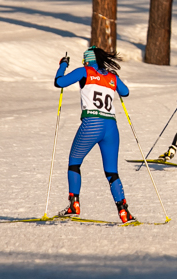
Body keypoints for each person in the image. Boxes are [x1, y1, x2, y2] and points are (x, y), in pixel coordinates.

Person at [54, 47, 133, 221]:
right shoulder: (111, 76)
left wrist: (63, 65)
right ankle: (124, 212)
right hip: (111, 127)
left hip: (92, 123)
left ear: (87, 60)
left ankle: (74, 205)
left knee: (74, 162)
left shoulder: (84, 71)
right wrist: (113, 78)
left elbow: (59, 82)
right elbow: (125, 92)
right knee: (112, 172)